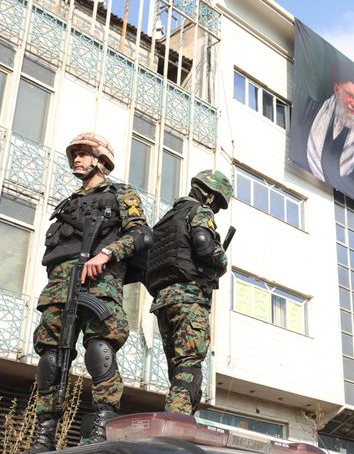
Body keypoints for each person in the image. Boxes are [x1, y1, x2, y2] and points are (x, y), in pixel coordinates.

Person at [28, 132, 151, 452]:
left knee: (99, 348)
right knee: (51, 358)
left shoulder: (122, 194)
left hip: (101, 280)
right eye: (74, 155)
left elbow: (141, 233)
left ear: (101, 160)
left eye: (83, 154)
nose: (76, 159)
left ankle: (102, 420)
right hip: (60, 285)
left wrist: (105, 254)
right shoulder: (68, 204)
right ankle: (45, 430)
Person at [146, 170, 232, 415]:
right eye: (217, 204)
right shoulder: (200, 212)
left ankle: (178, 418)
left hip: (163, 302)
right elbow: (205, 245)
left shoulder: (166, 219)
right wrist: (222, 261)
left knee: (177, 372)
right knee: (189, 368)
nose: (215, 210)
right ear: (209, 196)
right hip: (189, 299)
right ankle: (176, 425)